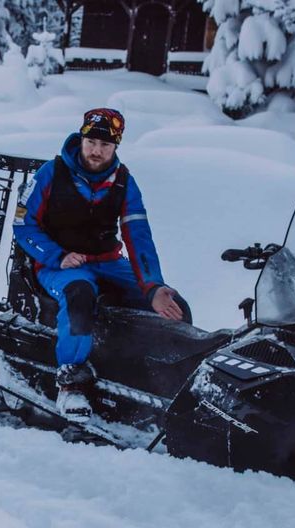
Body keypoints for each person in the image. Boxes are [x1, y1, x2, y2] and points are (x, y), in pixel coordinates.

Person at [13, 107, 189, 421]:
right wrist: (57, 256)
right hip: (60, 265)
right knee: (80, 293)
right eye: (91, 142)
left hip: (108, 261)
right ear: (81, 139)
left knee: (175, 306)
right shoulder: (50, 174)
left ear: (116, 147)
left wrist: (153, 286)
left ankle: (170, 382)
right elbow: (23, 226)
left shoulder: (123, 181)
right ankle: (71, 384)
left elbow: (139, 235)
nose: (97, 150)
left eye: (105, 145)